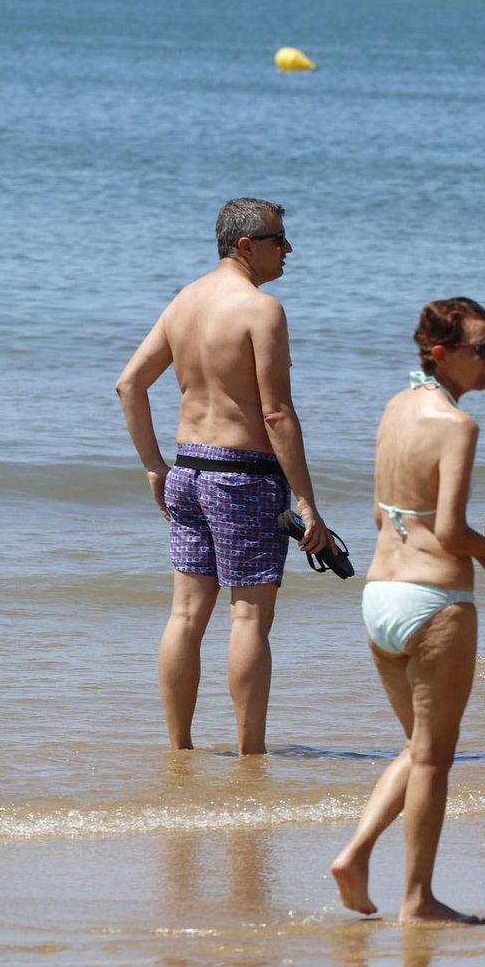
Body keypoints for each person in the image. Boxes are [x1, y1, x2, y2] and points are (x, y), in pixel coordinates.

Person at [116, 197, 331, 756]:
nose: (288, 249)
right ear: (246, 246)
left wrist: (154, 467)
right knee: (249, 618)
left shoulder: (183, 302)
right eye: (278, 239)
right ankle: (250, 755)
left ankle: (180, 750)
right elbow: (277, 413)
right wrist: (307, 502)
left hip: (188, 473)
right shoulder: (262, 310)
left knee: (185, 614)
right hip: (244, 478)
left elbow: (129, 385)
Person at [330, 297, 485, 923]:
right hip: (436, 600)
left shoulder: (395, 408)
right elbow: (456, 532)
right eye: (482, 349)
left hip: (380, 596)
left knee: (418, 747)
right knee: (434, 755)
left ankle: (354, 855)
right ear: (442, 354)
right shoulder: (458, 426)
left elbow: (383, 515)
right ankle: (417, 899)